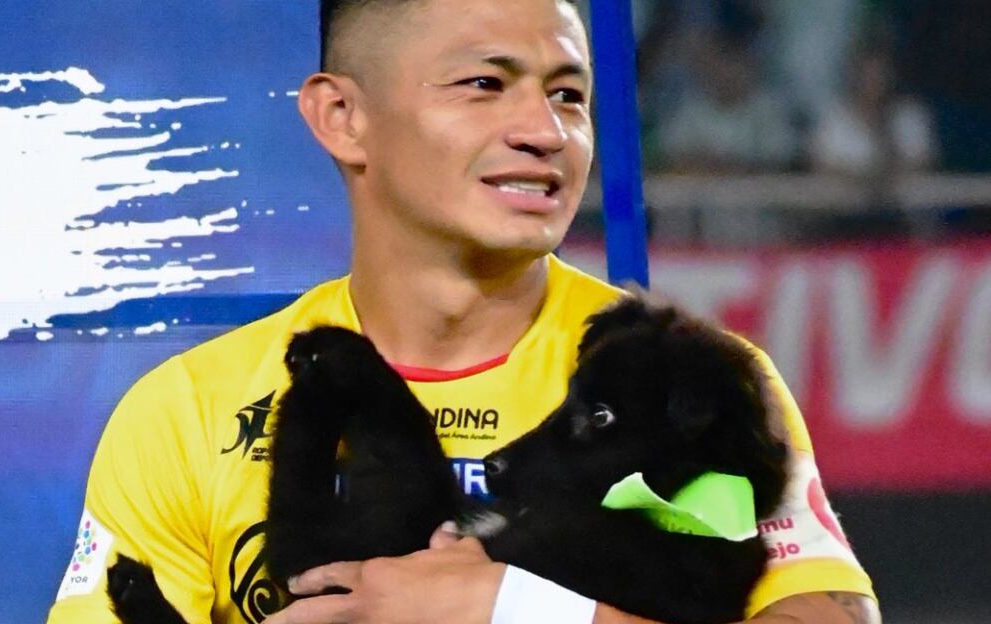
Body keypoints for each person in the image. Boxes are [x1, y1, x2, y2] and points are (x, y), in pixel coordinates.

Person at [46, 1, 879, 623]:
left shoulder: (677, 381)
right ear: (343, 117)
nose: (545, 131)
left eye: (569, 95)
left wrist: (511, 607)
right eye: (485, 85)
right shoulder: (185, 412)